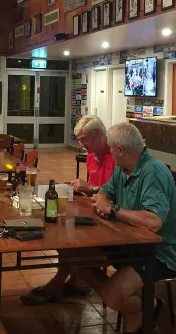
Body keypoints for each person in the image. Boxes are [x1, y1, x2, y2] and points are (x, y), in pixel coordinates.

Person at [71, 123, 176, 333]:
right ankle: (137, 316)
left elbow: (154, 222)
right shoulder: (123, 168)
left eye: (111, 149)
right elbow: (105, 192)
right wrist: (104, 201)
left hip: (160, 252)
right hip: (129, 242)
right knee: (76, 259)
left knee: (112, 296)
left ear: (121, 150)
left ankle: (150, 306)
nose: (110, 154)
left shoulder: (153, 172)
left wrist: (114, 209)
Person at [20, 116, 115, 306]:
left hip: (112, 222)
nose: (81, 145)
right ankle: (74, 281)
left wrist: (92, 189)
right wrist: (80, 188)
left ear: (97, 134)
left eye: (84, 139)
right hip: (95, 213)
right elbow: (96, 188)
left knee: (69, 239)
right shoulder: (91, 156)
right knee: (62, 229)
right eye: (78, 140)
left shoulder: (117, 156)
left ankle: (57, 285)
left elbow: (113, 193)